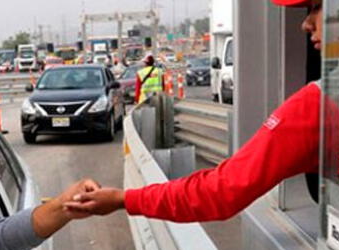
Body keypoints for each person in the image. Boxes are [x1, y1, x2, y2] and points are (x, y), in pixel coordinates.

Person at [65, 0, 324, 223]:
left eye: (318, 6)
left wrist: (124, 199)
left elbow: (222, 190)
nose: (305, 24)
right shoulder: (334, 98)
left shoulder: (316, 106)